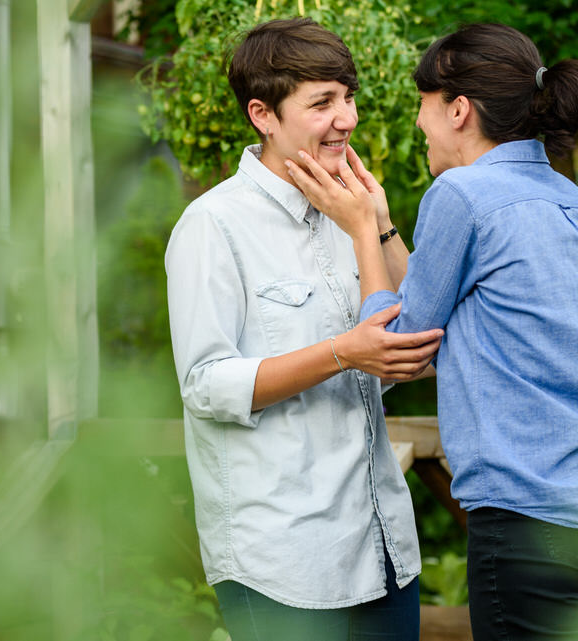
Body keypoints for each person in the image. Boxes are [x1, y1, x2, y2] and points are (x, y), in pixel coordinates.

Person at [287, 22, 578, 641]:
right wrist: (382, 225)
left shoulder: (462, 193)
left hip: (530, 522)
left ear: (458, 109)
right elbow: (434, 306)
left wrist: (356, 229)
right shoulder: (568, 198)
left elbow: (405, 349)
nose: (419, 123)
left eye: (423, 105)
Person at [164, 18, 443, 641]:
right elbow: (206, 385)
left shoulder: (351, 213)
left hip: (384, 548)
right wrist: (343, 352)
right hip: (282, 561)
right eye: (322, 102)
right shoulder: (213, 225)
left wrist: (378, 223)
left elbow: (417, 348)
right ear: (262, 114)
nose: (346, 117)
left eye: (348, 97)